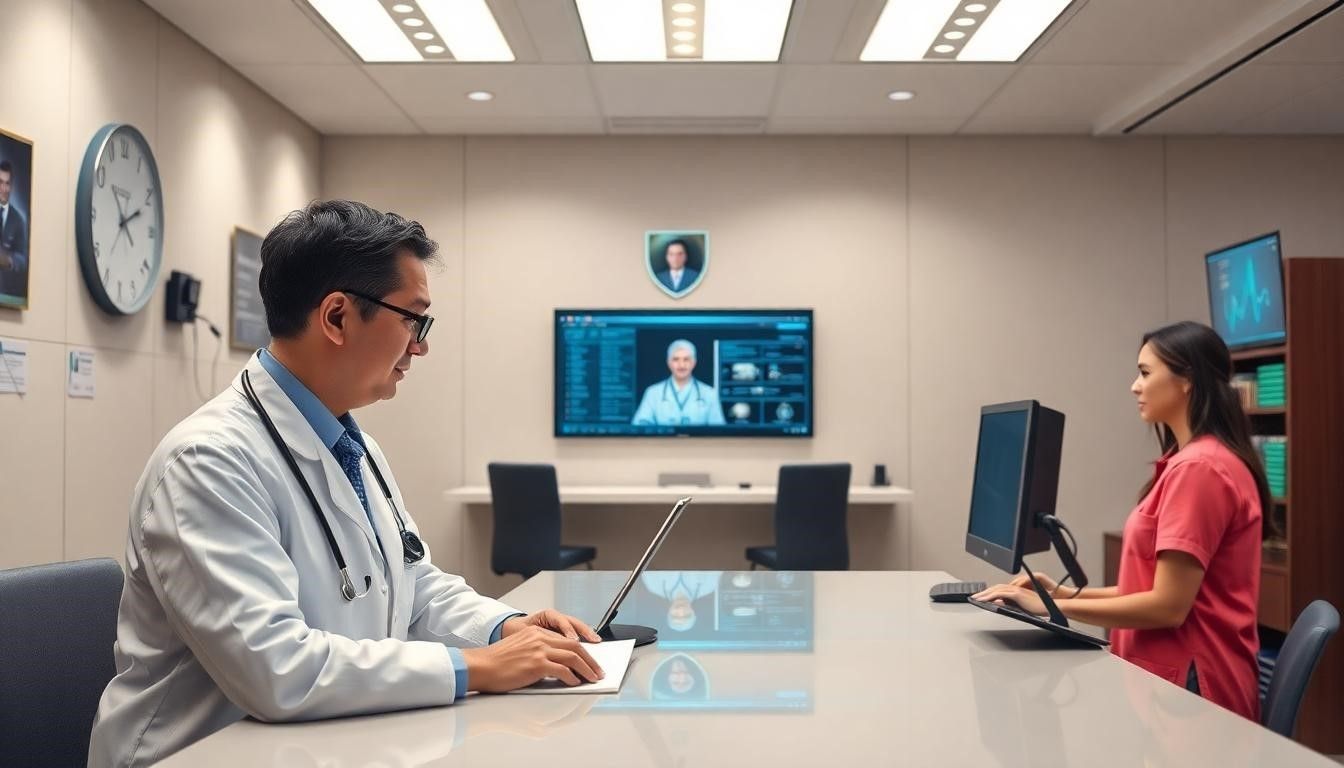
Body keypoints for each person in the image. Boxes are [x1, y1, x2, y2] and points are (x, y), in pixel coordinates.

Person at [89, 201, 605, 768]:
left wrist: (503, 628)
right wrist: (476, 668)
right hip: (199, 753)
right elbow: (277, 669)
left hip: (325, 744)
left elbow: (412, 586)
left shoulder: (349, 443)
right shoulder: (208, 461)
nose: (421, 345)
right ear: (336, 317)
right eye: (413, 319)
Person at [974, 321, 1267, 722]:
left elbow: (1167, 607)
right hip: (1172, 686)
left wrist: (1053, 607)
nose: (1134, 385)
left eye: (1146, 373)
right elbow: (1147, 590)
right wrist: (1058, 596)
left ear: (1187, 381)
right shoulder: (1192, 463)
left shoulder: (1201, 470)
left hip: (1192, 695)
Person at [631, 339, 725, 426]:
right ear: (669, 363)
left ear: (694, 363)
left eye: (686, 359)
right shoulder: (653, 393)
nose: (681, 365)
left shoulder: (709, 393)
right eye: (676, 359)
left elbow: (719, 433)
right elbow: (639, 426)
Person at [0, 160, 29, 298]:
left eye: (7, 183)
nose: (4, 189)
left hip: (7, 294)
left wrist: (9, 260)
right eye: (0, 182)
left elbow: (24, 260)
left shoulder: (19, 220)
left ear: (11, 186)